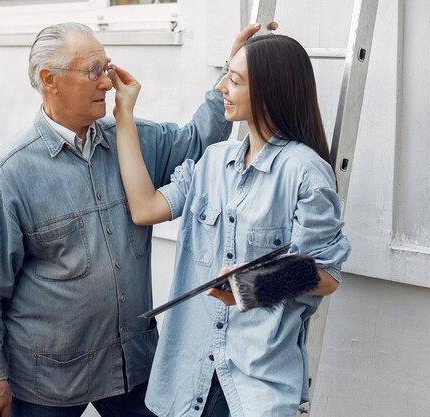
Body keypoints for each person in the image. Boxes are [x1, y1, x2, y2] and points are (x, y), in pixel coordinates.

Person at [0, 22, 266, 417]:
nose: (108, 83)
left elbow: (195, 143)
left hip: (130, 365)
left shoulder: (133, 140)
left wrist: (231, 69)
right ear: (50, 80)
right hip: (48, 380)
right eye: (94, 71)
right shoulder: (6, 177)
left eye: (107, 67)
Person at [111, 34, 352, 417]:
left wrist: (248, 287)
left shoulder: (306, 173)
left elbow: (326, 275)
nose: (221, 86)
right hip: (187, 380)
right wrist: (123, 115)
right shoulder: (212, 161)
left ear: (270, 93)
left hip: (254, 383)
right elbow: (144, 207)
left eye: (234, 80)